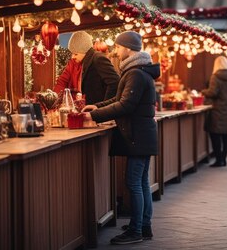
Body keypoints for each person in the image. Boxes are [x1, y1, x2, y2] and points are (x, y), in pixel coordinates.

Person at [82, 31, 160, 245]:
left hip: (138, 136)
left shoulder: (135, 73)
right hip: (142, 135)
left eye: (118, 47)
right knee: (141, 182)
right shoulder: (138, 71)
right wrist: (97, 106)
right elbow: (119, 99)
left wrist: (93, 115)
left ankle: (136, 230)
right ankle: (143, 226)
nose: (115, 51)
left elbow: (126, 105)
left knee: (134, 182)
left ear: (127, 48)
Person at [54, 31, 120, 105]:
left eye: (75, 54)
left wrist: (104, 105)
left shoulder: (98, 58)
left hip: (99, 110)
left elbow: (115, 82)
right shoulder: (85, 61)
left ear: (84, 51)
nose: (73, 57)